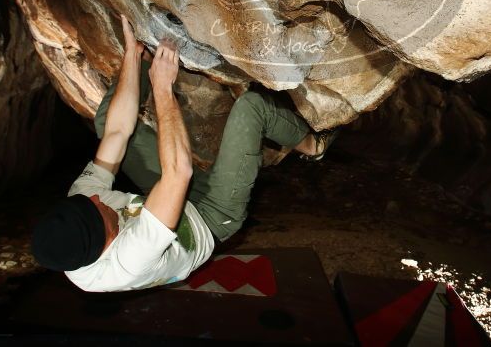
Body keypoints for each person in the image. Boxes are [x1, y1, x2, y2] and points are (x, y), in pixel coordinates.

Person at [31, 15, 337, 292]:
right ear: (108, 238)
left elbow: (116, 133)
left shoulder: (79, 208)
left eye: (88, 199)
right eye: (98, 209)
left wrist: (132, 56)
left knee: (104, 124)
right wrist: (163, 87)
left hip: (163, 198)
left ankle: (149, 57)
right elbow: (178, 174)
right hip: (211, 216)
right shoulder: (128, 260)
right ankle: (313, 147)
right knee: (252, 109)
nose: (97, 198)